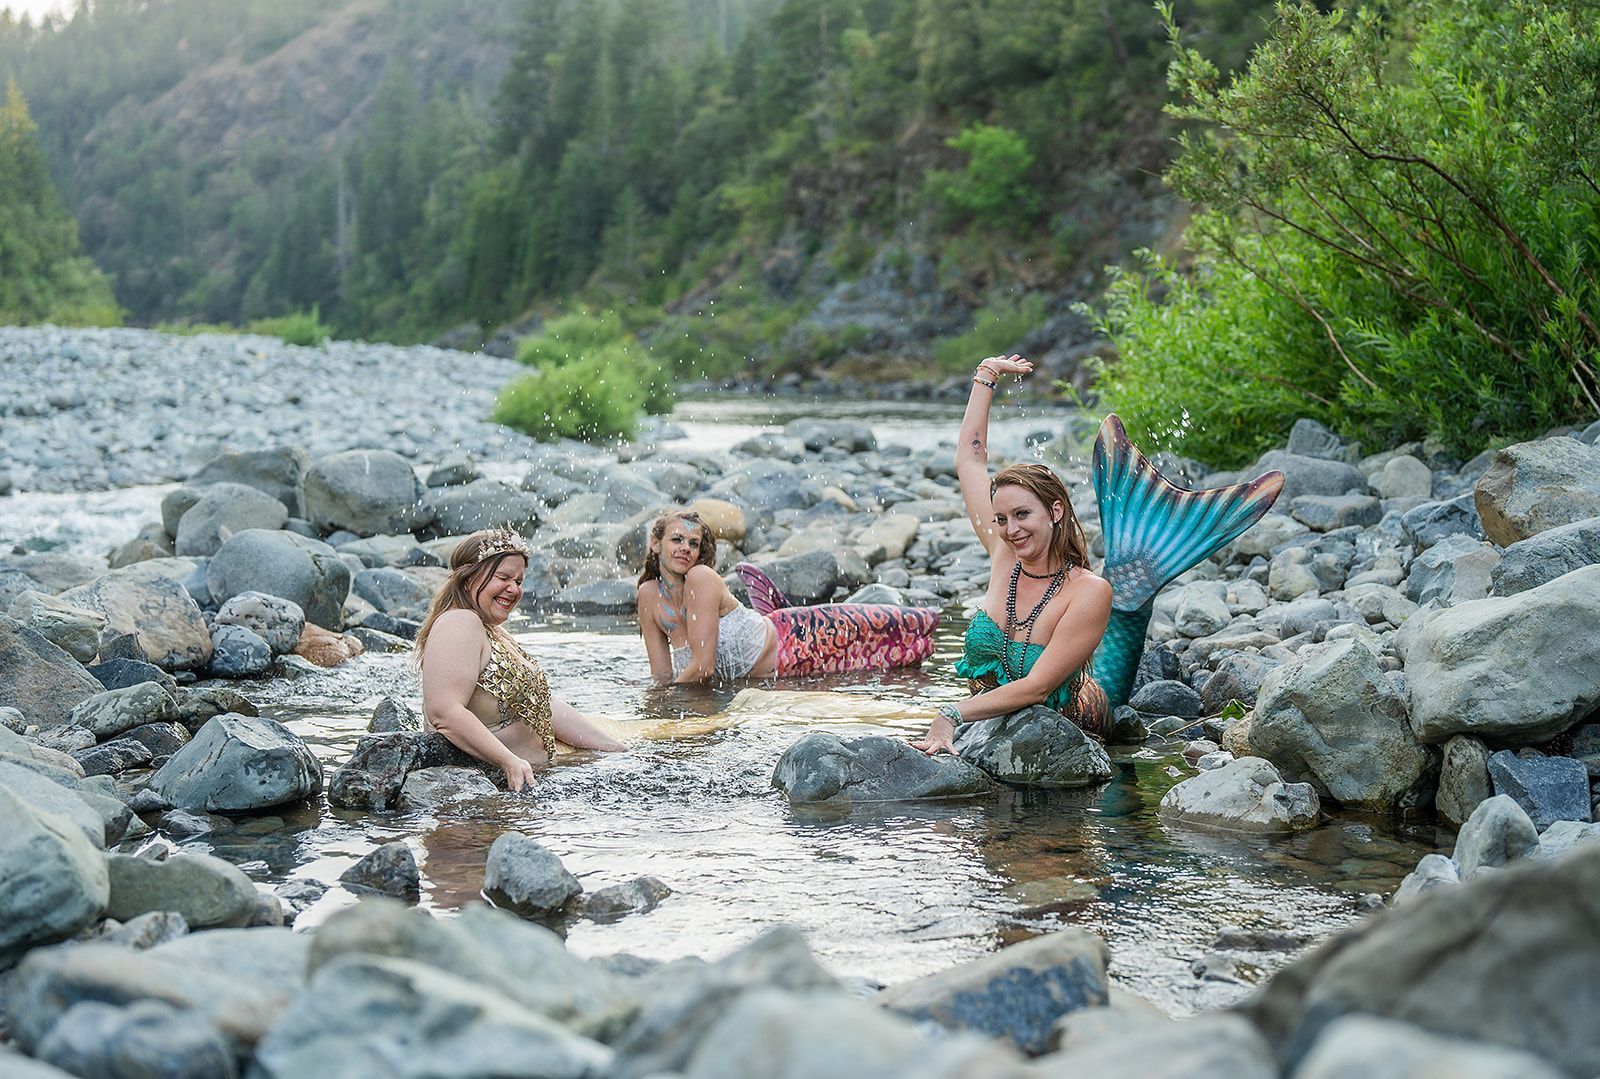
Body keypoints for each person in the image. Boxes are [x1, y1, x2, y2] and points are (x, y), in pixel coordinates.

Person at [913, 355, 1284, 755]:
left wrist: (951, 713)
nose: (1011, 529)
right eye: (1001, 518)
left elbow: (1038, 688)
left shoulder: (1090, 590)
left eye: (1023, 514)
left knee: (1121, 610)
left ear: (1055, 512)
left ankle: (1143, 572)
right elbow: (970, 458)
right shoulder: (1004, 553)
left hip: (1080, 720)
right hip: (988, 723)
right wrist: (985, 375)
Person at [417, 528, 626, 791]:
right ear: (469, 578)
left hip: (538, 776)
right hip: (489, 788)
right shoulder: (459, 622)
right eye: (503, 577)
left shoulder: (493, 631)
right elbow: (444, 712)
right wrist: (509, 761)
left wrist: (610, 747)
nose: (513, 589)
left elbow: (542, 706)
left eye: (519, 581)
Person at [637, 510, 942, 683]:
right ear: (655, 543)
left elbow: (704, 668)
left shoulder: (701, 579)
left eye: (692, 543)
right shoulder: (648, 596)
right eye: (676, 539)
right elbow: (662, 674)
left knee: (907, 637)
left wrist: (667, 702)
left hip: (798, 640)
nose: (685, 548)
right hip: (779, 661)